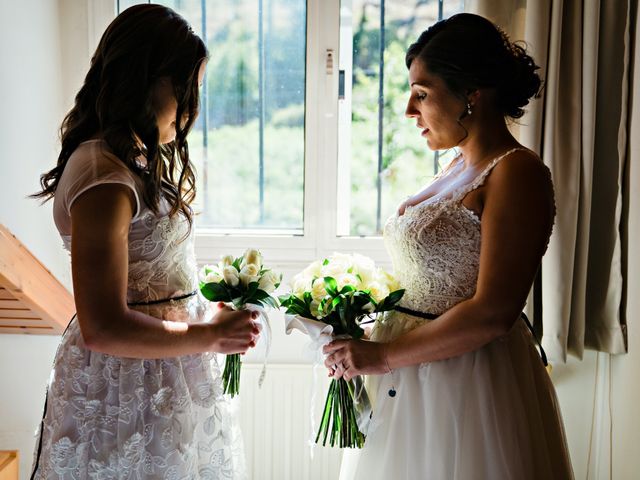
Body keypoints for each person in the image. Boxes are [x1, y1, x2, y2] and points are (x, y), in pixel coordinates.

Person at [324, 13, 574, 480]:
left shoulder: (516, 173)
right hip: (409, 378)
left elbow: (494, 312)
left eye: (422, 93)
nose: (408, 111)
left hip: (469, 384)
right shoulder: (456, 165)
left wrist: (380, 357)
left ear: (470, 95)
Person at [29, 5, 259, 479]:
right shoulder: (103, 175)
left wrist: (204, 314)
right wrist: (210, 336)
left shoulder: (127, 158)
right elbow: (104, 326)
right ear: (154, 80)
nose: (192, 104)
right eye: (187, 86)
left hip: (162, 372)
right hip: (124, 383)